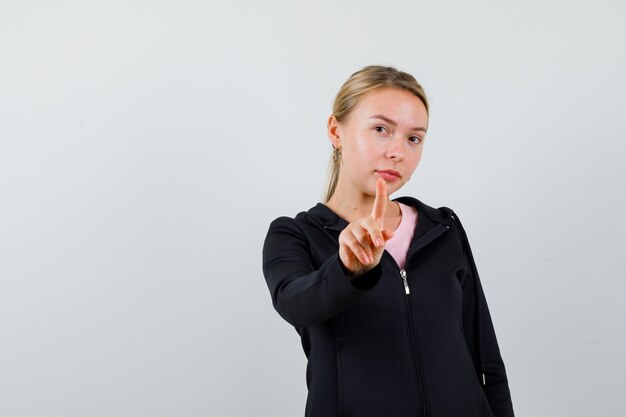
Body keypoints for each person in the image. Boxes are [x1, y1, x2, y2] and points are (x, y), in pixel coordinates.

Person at [262, 65, 514, 417]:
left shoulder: (442, 228)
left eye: (414, 138)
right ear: (336, 131)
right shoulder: (294, 235)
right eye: (381, 129)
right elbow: (296, 304)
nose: (398, 151)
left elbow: (485, 357)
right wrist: (348, 270)